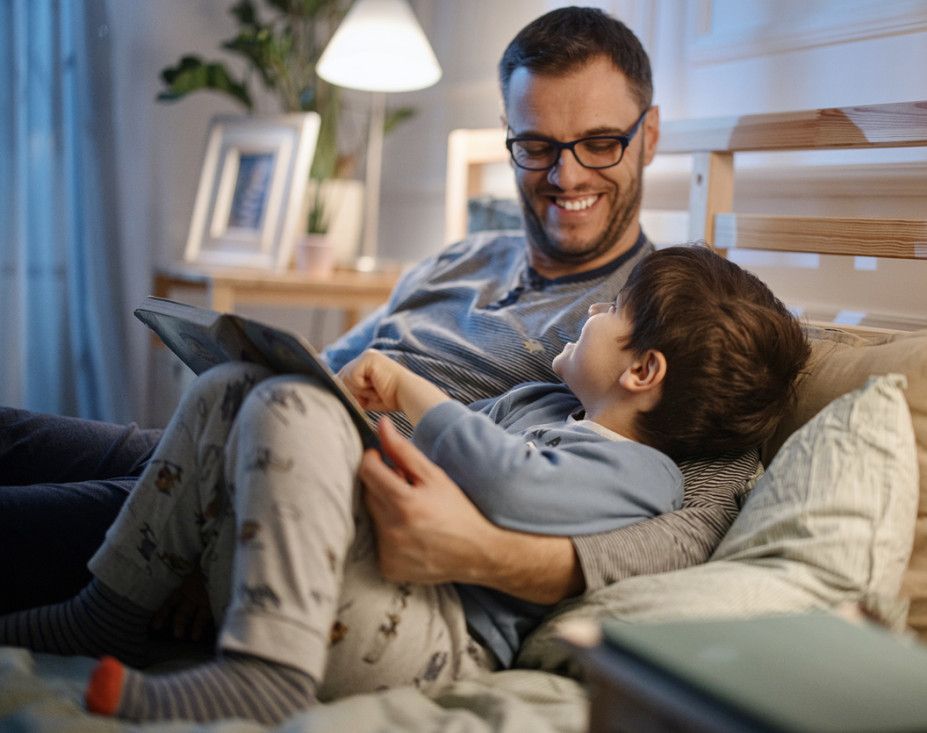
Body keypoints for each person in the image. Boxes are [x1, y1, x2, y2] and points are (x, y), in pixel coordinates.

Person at [0, 6, 757, 632]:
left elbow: (696, 523)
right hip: (240, 440)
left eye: (599, 142)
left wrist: (482, 553)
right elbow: (329, 362)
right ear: (509, 138)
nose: (566, 176)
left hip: (308, 499)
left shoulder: (657, 323)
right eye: (535, 146)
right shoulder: (459, 256)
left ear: (649, 135)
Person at [0, 245, 810, 724]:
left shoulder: (646, 474)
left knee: (286, 402)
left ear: (643, 369)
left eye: (610, 310)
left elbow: (510, 488)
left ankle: (267, 673)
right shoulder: (541, 394)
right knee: (231, 388)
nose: (590, 313)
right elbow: (462, 436)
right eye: (531, 142)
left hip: (429, 633)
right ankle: (108, 610)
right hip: (333, 522)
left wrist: (403, 392)